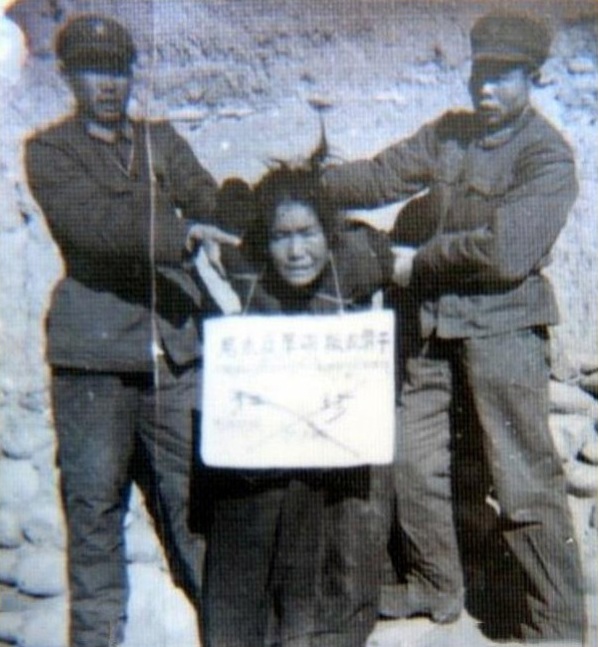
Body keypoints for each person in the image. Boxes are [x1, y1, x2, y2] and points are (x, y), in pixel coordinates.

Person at [323, 11, 586, 644]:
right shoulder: (449, 135)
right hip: (432, 329)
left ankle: (557, 623)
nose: (486, 90)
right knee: (413, 465)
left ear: (533, 78)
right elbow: (384, 175)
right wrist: (312, 186)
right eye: (479, 76)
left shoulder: (548, 157)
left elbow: (504, 254)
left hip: (501, 331)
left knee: (522, 480)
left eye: (502, 78)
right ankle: (437, 587)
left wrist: (414, 262)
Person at [25, 14, 239, 647]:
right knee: (93, 514)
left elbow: (206, 198)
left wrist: (248, 212)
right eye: (93, 71)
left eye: (118, 69)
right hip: (92, 365)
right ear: (68, 77)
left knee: (197, 509)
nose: (109, 85)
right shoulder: (49, 151)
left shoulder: (162, 142)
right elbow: (95, 228)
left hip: (172, 355)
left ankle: (226, 635)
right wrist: (183, 232)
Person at [200, 153, 396, 647]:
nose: (295, 251)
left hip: (332, 445)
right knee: (251, 532)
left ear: (328, 235)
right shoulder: (248, 272)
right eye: (281, 237)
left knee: (347, 536)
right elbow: (229, 205)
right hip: (267, 449)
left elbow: (379, 249)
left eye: (307, 233)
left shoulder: (352, 264)